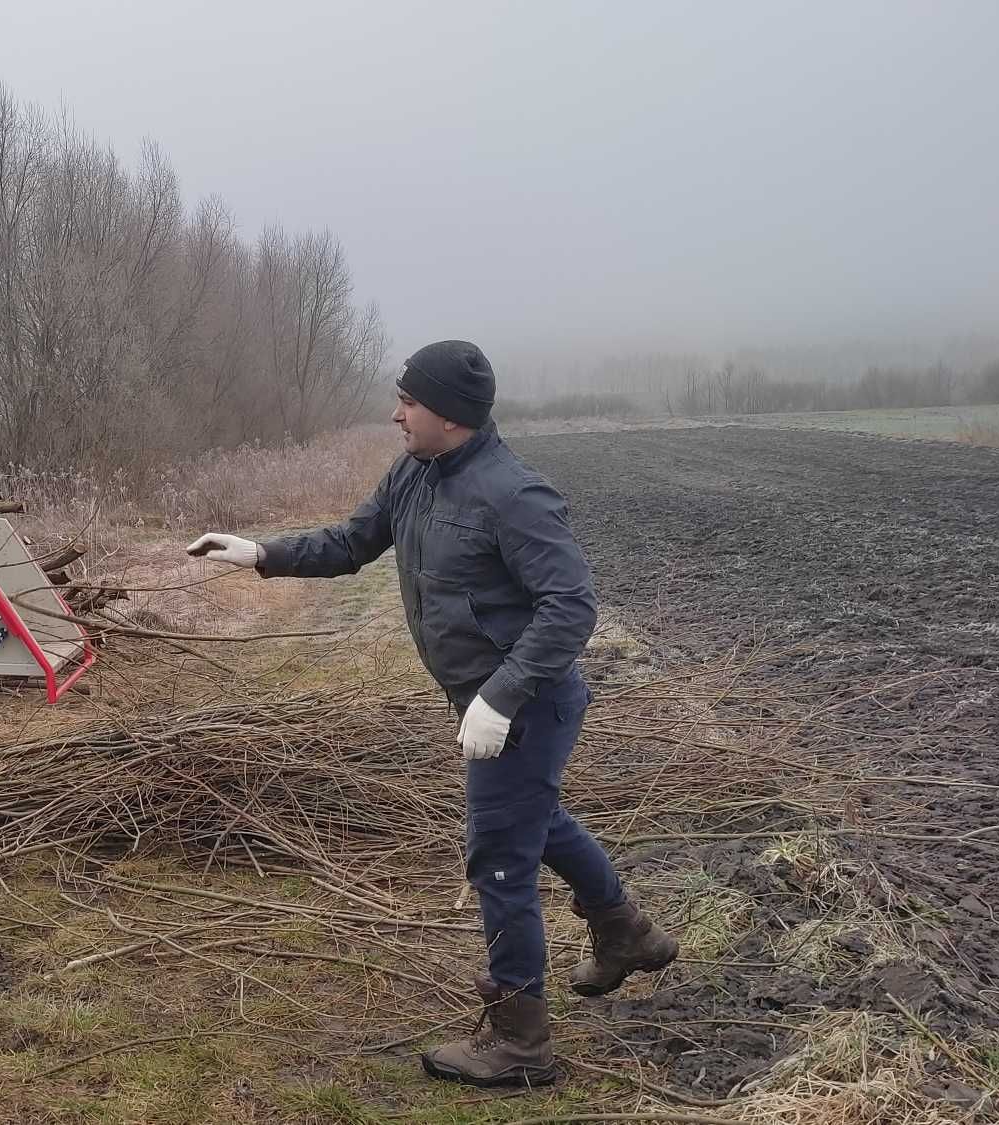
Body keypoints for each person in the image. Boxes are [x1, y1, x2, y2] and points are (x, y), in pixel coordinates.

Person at [186, 340, 676, 1089]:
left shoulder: (514, 493)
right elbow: (353, 541)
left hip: (527, 706)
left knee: (499, 854)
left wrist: (500, 696)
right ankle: (625, 931)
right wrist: (261, 553)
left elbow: (570, 605)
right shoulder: (415, 474)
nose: (396, 412)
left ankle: (521, 1043)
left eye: (408, 401)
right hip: (489, 702)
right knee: (534, 822)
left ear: (448, 414)